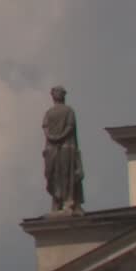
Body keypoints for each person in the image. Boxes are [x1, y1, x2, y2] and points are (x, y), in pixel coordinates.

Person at [42, 86, 84, 215]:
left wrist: (59, 136)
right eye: (55, 92)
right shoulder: (48, 112)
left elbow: (70, 126)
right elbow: (45, 127)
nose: (57, 94)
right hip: (52, 148)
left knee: (66, 173)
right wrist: (52, 137)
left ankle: (67, 201)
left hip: (66, 147)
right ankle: (56, 200)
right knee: (52, 174)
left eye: (59, 92)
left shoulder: (69, 111)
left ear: (63, 95)